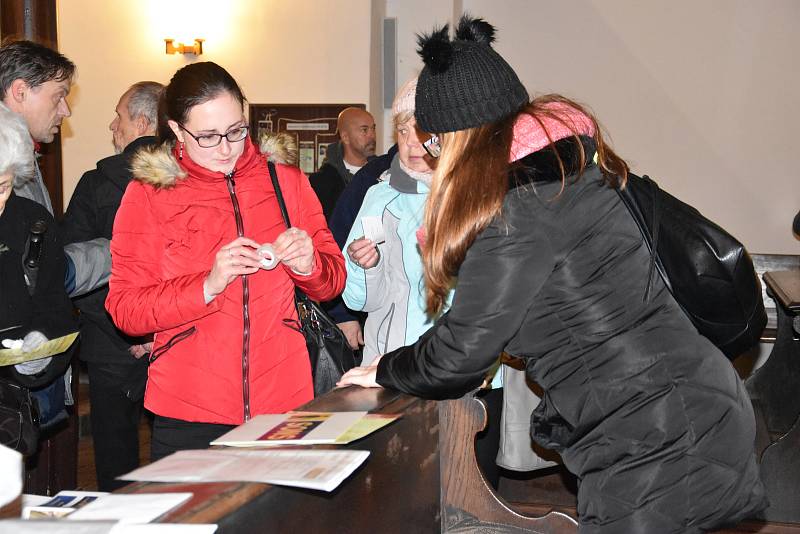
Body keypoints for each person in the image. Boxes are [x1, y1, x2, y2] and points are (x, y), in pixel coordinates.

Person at [339, 16, 767, 533]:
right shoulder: (570, 175)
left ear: (461, 139)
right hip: (685, 411)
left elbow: (460, 355)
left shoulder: (516, 213)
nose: (434, 155)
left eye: (436, 142)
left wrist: (386, 369)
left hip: (655, 438)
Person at [105, 62, 346, 460]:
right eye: (208, 136)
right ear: (177, 130)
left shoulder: (285, 181)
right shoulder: (148, 194)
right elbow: (126, 310)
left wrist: (309, 265)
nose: (226, 148)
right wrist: (207, 284)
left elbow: (333, 281)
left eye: (236, 131)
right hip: (189, 410)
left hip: (285, 403)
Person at [61, 81, 163, 490]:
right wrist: (155, 331)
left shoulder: (96, 184)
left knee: (114, 453)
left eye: (118, 115)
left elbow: (75, 271)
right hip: (174, 338)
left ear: (140, 122)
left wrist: (127, 331)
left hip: (109, 343)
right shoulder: (190, 178)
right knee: (174, 447)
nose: (112, 124)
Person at [341, 77, 441, 364]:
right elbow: (359, 301)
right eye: (402, 130)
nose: (411, 142)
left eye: (422, 131)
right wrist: (368, 267)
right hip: (390, 359)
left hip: (457, 364)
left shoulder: (471, 197)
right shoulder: (379, 196)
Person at [0, 40, 108, 297]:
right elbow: (38, 273)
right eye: (59, 95)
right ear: (20, 91)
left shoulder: (24, 153)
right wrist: (122, 249)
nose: (66, 110)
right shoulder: (8, 162)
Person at [0, 102, 76, 445]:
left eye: (2, 187)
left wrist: (42, 345)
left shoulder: (32, 223)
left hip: (8, 412)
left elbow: (56, 308)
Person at [309, 107, 376, 220]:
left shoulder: (383, 174)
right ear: (345, 137)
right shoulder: (321, 183)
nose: (372, 136)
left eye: (373, 129)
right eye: (364, 130)